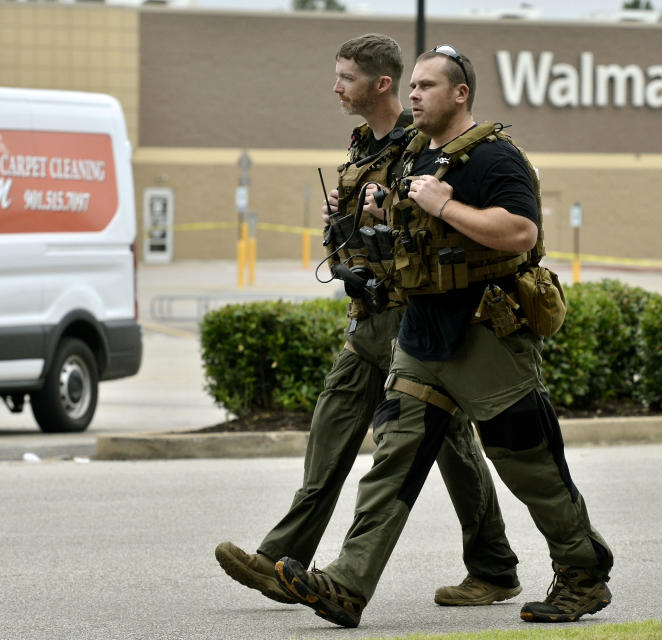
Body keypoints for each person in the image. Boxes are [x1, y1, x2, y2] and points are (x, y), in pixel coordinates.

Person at [274, 44, 613, 628]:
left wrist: (448, 203)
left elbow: (520, 230)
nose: (414, 95)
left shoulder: (493, 157)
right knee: (392, 464)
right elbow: (414, 232)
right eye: (412, 87)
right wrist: (377, 210)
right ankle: (346, 586)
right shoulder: (413, 160)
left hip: (487, 338)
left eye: (427, 87)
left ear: (460, 95)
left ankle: (583, 573)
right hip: (423, 337)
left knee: (527, 465)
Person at [214, 33, 521, 610]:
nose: (335, 87)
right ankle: (283, 557)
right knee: (332, 430)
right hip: (369, 316)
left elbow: (442, 222)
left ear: (381, 83)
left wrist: (391, 210)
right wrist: (347, 220)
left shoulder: (421, 145)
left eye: (346, 77)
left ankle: (495, 566)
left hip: (414, 321)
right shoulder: (364, 144)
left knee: (452, 446)